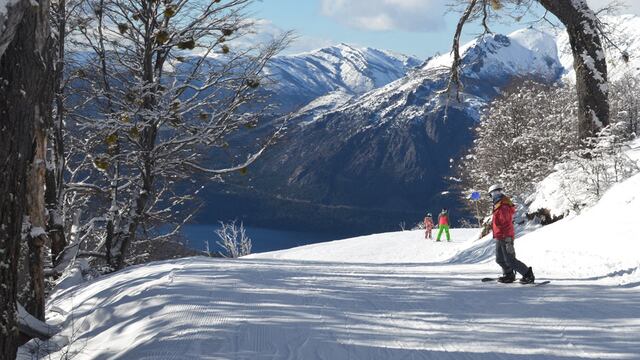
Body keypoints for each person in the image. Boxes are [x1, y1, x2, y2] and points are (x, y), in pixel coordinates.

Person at [489, 184, 535, 284]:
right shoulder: (498, 205)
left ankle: (527, 274)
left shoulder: (503, 205)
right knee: (499, 259)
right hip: (499, 236)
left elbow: (505, 222)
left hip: (505, 236)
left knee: (510, 260)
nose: (494, 195)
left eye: (495, 193)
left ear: (499, 192)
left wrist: (506, 236)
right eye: (492, 194)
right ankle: (509, 274)